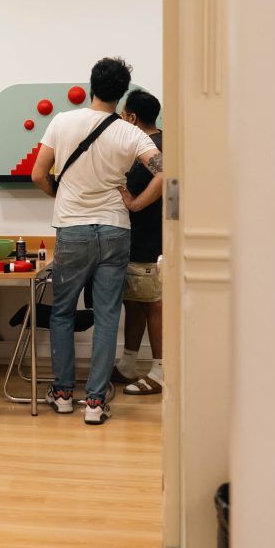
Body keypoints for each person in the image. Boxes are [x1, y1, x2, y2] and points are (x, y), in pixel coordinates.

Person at [31, 58, 163, 425]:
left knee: (62, 311)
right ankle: (94, 402)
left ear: (92, 85)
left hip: (72, 229)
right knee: (107, 315)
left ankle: (62, 394)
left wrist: (60, 194)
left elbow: (38, 173)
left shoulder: (62, 121)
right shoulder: (130, 132)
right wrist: (135, 203)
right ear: (122, 93)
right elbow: (165, 174)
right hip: (115, 229)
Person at [111, 89, 164, 395]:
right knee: (134, 303)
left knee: (153, 305)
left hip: (149, 241)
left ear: (131, 117)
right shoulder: (153, 143)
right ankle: (128, 364)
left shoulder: (151, 148)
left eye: (123, 114)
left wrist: (135, 204)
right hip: (137, 241)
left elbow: (164, 177)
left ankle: (160, 372)